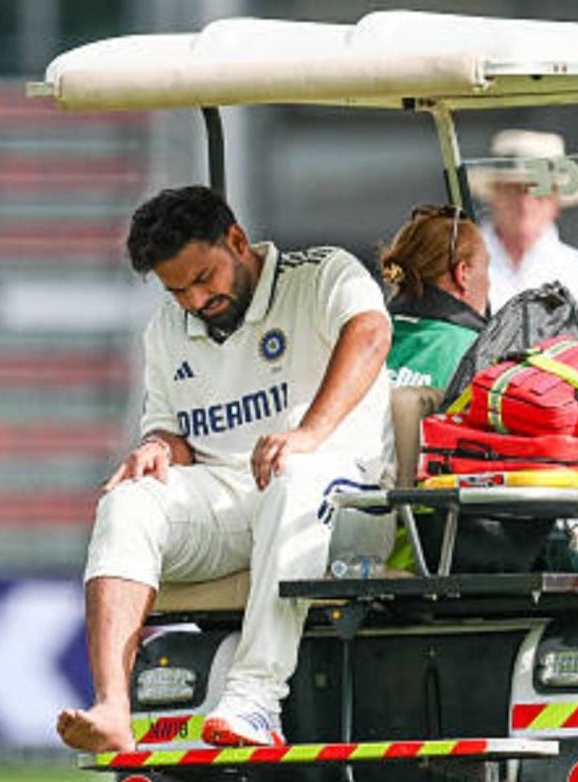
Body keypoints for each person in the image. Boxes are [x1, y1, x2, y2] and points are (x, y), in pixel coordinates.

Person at [56, 186, 392, 752]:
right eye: (177, 289)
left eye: (204, 278)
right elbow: (172, 432)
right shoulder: (167, 329)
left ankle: (255, 699)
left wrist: (308, 433)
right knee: (129, 498)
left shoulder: (322, 273)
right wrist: (158, 448)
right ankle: (113, 705)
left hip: (346, 500)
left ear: (236, 240)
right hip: (233, 499)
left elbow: (372, 333)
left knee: (294, 471)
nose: (195, 300)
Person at [473, 129, 578, 356]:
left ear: (556, 199)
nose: (525, 202)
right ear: (495, 194)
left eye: (538, 189)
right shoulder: (458, 266)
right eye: (514, 188)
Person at [379, 205, 489, 391]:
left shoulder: (366, 335)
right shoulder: (477, 356)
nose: (488, 282)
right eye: (486, 268)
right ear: (463, 273)